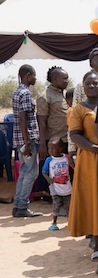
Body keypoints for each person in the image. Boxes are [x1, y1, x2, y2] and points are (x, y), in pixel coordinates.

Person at [68, 71, 98, 262]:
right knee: (93, 200)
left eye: (95, 83)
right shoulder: (78, 109)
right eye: (88, 84)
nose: (92, 86)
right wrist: (96, 149)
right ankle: (97, 245)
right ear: (83, 87)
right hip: (89, 160)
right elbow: (75, 135)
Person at [12, 64, 43, 218]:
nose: (36, 78)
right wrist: (28, 143)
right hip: (27, 139)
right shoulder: (25, 93)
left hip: (20, 139)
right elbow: (23, 118)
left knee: (24, 171)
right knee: (31, 172)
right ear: (28, 75)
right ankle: (22, 206)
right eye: (34, 75)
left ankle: (18, 206)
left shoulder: (17, 92)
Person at [36, 66, 70, 196]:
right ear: (55, 79)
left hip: (65, 139)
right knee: (51, 169)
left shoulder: (64, 94)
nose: (67, 81)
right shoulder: (45, 97)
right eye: (64, 78)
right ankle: (46, 193)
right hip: (52, 142)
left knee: (63, 171)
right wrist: (43, 145)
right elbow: (42, 122)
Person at [41, 138, 71, 231]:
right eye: (49, 148)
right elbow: (44, 171)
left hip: (67, 187)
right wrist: (48, 179)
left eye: (54, 148)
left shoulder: (66, 158)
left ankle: (70, 222)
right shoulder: (49, 160)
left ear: (61, 148)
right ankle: (54, 222)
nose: (51, 151)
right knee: (56, 205)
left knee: (69, 206)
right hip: (55, 188)